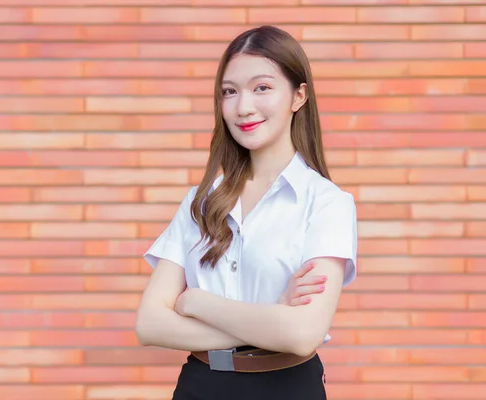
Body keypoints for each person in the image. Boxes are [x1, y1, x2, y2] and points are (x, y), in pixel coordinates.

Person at [135, 25, 358, 400]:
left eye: (262, 88)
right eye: (229, 91)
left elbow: (302, 335)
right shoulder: (201, 202)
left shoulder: (326, 203)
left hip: (286, 388)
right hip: (200, 386)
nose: (243, 107)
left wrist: (197, 303)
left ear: (298, 96)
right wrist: (272, 317)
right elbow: (150, 325)